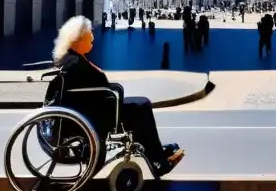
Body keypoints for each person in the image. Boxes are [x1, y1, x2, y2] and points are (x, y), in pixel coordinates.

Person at [52, 16, 183, 179]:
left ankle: (155, 153)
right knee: (142, 107)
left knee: (140, 105)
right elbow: (88, 93)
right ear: (77, 39)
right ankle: (158, 160)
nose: (93, 37)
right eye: (89, 34)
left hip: (94, 108)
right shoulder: (75, 63)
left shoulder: (72, 59)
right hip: (96, 114)